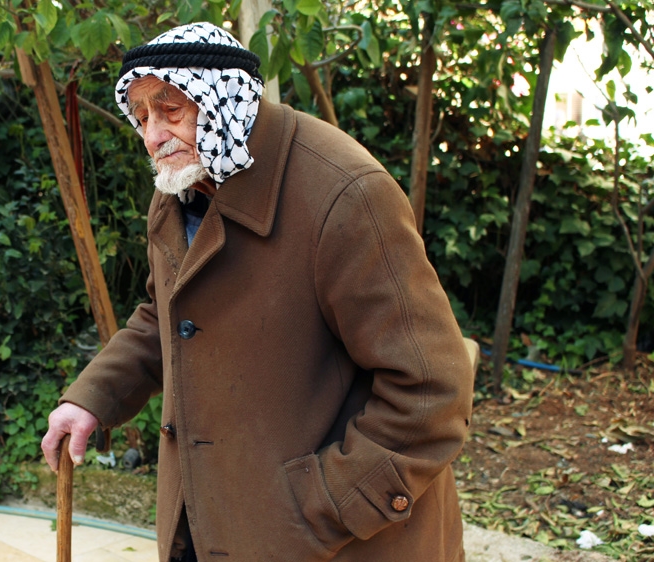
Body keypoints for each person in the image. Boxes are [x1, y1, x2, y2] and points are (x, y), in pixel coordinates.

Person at [41, 22, 474, 562]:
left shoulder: (345, 195)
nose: (153, 136)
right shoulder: (181, 184)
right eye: (143, 115)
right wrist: (90, 400)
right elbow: (164, 315)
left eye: (171, 110)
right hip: (207, 523)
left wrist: (321, 508)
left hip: (334, 545)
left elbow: (431, 390)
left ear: (226, 102)